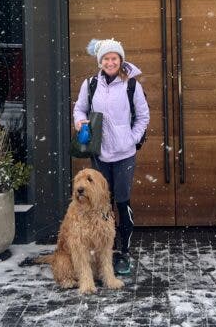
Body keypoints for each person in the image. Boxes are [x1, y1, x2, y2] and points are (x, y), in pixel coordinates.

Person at [73, 38, 149, 276]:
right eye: (106, 58)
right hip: (100, 153)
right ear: (100, 62)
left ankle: (124, 253)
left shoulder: (131, 86)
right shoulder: (90, 84)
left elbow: (143, 116)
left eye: (114, 58)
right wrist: (79, 122)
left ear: (120, 60)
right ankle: (105, 251)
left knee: (122, 201)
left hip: (124, 154)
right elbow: (79, 108)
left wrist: (132, 139)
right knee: (100, 204)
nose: (110, 62)